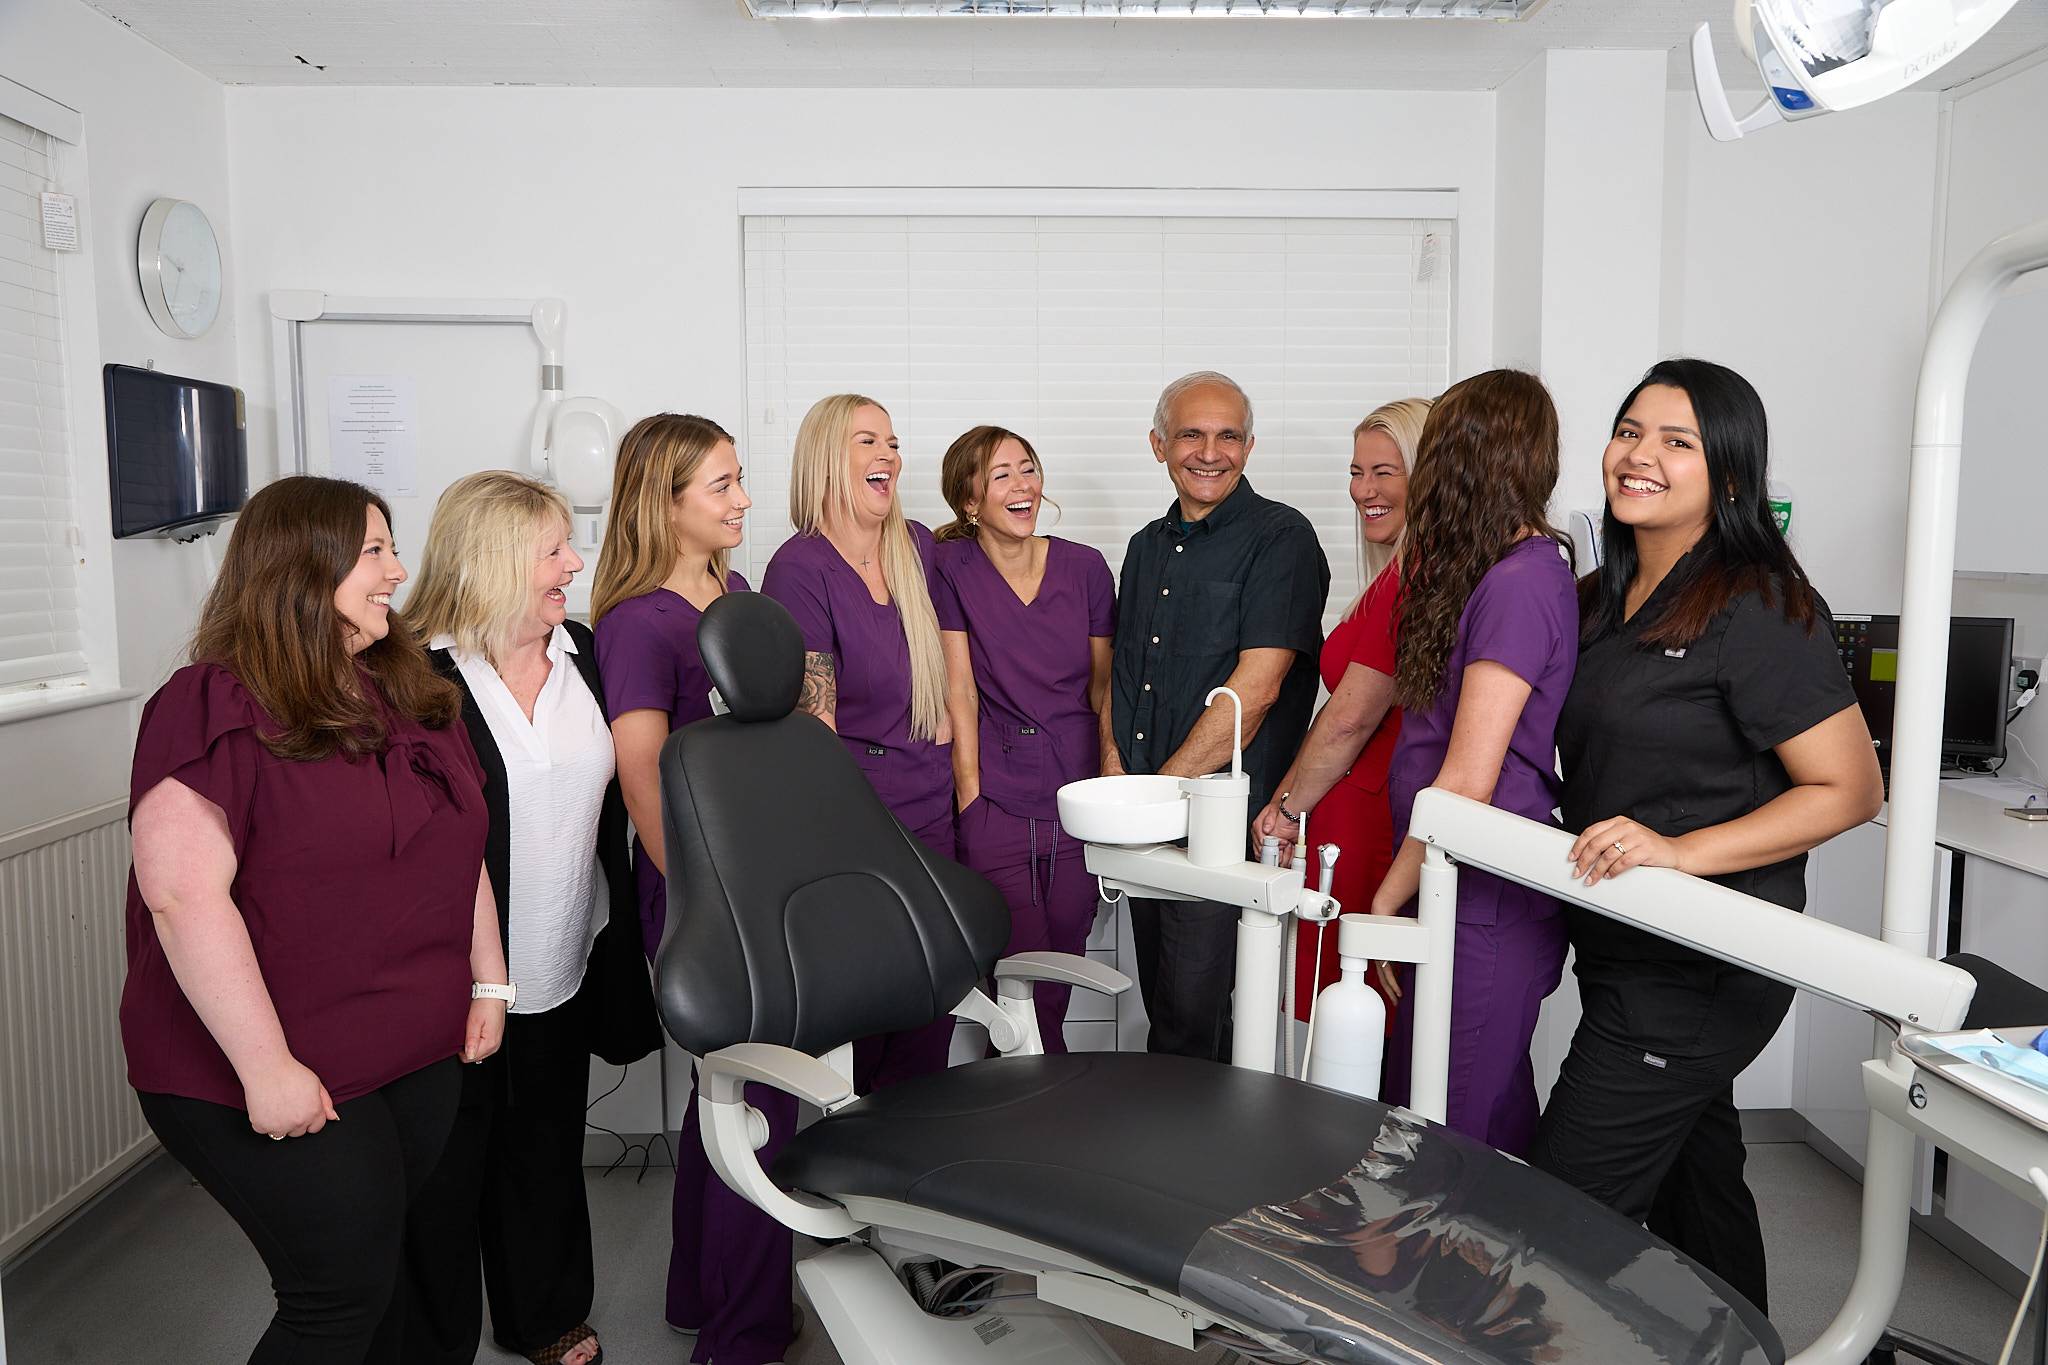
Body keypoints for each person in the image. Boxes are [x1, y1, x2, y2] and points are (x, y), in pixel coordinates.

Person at [121, 476, 503, 1365]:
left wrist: (488, 976)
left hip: (413, 1046)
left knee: (387, 1269)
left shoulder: (402, 687)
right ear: (302, 566)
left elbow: (463, 844)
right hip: (271, 1063)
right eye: (375, 551)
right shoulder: (211, 701)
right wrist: (268, 1068)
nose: (399, 572)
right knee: (338, 1294)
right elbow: (182, 896)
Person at [1531, 359, 1881, 1314]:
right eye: (1630, 430)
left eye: (1676, 442)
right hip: (1622, 949)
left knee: (1554, 1221)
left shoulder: (1754, 605)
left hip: (1702, 969)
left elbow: (1850, 786)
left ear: (1728, 477)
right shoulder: (1600, 598)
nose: (1640, 455)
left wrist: (1683, 852)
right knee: (1700, 1201)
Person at [402, 471, 661, 1365]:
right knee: (442, 1170)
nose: (573, 564)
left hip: (562, 954)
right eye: (553, 549)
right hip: (453, 974)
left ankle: (543, 1317)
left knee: (544, 1151)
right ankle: (432, 1343)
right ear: (496, 560)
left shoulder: (582, 651)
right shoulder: (417, 674)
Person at [591, 414, 797, 1365]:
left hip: (754, 870)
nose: (743, 500)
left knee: (726, 1093)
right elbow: (642, 779)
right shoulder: (637, 621)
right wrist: (713, 899)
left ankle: (696, 1290)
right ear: (663, 501)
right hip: (700, 888)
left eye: (739, 480)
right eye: (721, 485)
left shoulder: (733, 589)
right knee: (763, 1099)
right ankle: (741, 1333)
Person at [1370, 369, 1577, 1158]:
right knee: (1477, 1111)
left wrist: (1386, 900)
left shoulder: (1522, 586)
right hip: (1456, 884)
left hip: (1481, 895)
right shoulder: (1493, 573)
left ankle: (1452, 1283)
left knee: (1446, 1133)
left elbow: (1465, 782)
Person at [1104, 371, 1330, 1062]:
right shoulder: (1145, 546)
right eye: (1191, 434)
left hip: (1219, 821)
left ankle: (1200, 1159)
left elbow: (1257, 691)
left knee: (1192, 1019)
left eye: (1228, 434)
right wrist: (1122, 783)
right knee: (1167, 1007)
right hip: (1149, 820)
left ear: (1250, 445)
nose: (1210, 451)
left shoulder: (1281, 537)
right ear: (1158, 444)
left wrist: (1159, 793)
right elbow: (1124, 675)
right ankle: (1180, 1153)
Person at [762, 392, 957, 1090]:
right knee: (869, 1015)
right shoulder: (799, 568)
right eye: (867, 441)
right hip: (859, 832)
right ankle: (864, 1181)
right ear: (825, 459)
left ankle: (915, 1176)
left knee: (932, 1012)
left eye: (893, 442)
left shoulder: (918, 548)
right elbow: (814, 735)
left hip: (933, 814)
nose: (889, 456)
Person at [932, 425, 1116, 1053]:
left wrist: (1110, 782)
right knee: (1015, 964)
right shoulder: (951, 568)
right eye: (1001, 474)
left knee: (1063, 955)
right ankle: (1032, 1093)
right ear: (969, 501)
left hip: (1076, 792)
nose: (1022, 485)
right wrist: (969, 801)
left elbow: (1103, 688)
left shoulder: (1085, 567)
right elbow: (960, 689)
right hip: (996, 800)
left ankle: (1037, 1091)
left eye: (1029, 469)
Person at [1251, 397, 1432, 1025]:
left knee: (1340, 1013)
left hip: (1367, 828)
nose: (1364, 490)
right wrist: (1286, 802)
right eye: (1357, 472)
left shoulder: (1415, 582)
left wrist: (1285, 811)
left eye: (1386, 471)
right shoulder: (1389, 581)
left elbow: (1351, 722)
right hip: (1338, 817)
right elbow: (1335, 714)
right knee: (1322, 1009)